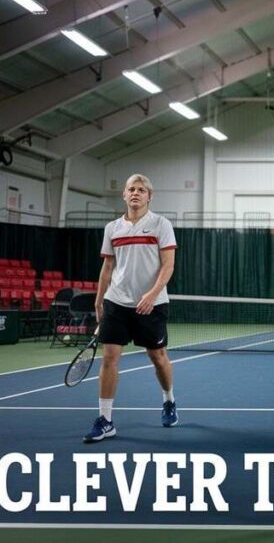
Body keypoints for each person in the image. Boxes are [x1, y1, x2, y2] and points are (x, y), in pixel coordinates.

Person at [85, 173, 178, 443]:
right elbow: (108, 267)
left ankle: (169, 400)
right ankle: (105, 421)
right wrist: (99, 298)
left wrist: (152, 294)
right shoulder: (112, 228)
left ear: (149, 196)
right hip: (117, 301)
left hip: (153, 303)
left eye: (141, 190)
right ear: (124, 195)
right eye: (131, 189)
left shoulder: (161, 225)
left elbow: (168, 265)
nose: (135, 193)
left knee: (158, 357)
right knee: (110, 358)